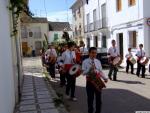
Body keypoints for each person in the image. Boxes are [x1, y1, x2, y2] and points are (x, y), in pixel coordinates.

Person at [82, 47, 108, 113]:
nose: (94, 54)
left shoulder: (98, 61)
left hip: (98, 81)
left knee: (99, 99)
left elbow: (100, 72)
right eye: (93, 53)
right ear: (89, 53)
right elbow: (83, 73)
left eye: (95, 53)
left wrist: (105, 78)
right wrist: (89, 69)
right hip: (90, 82)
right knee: (90, 99)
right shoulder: (85, 61)